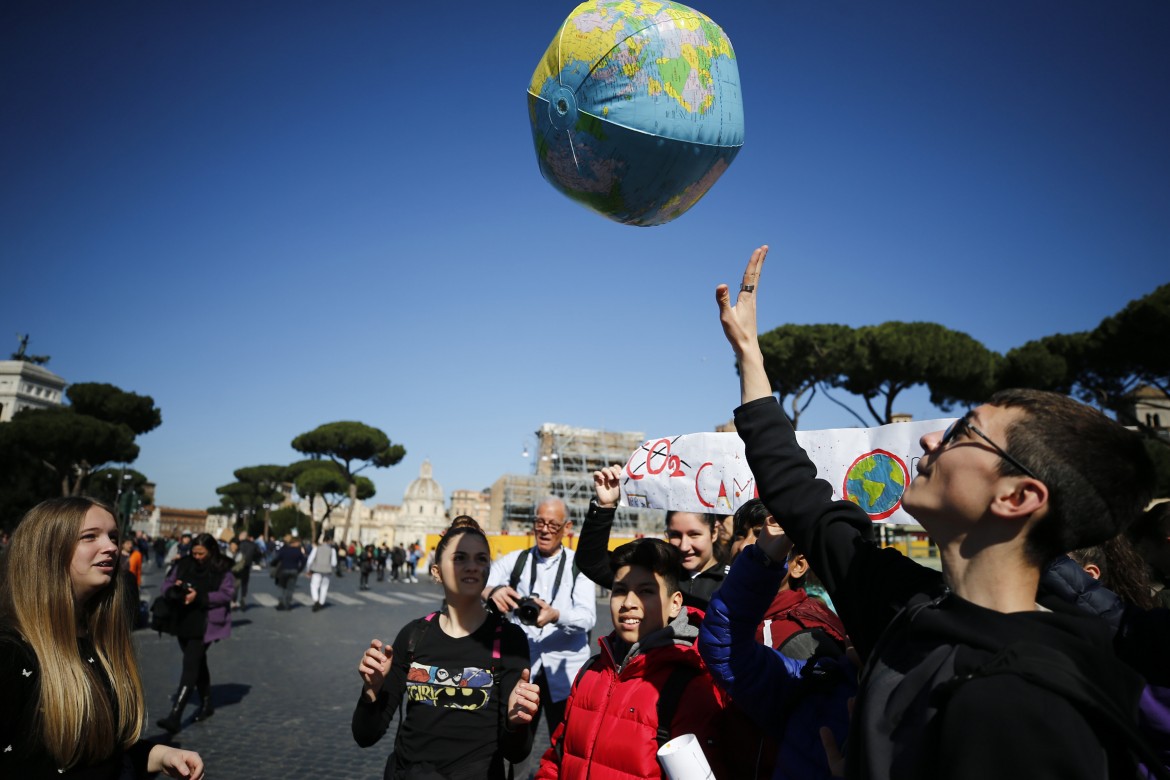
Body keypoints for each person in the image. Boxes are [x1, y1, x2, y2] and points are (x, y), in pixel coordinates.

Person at [715, 245, 1164, 779]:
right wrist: (749, 354)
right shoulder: (903, 603)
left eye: (962, 432)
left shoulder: (1039, 700)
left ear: (1017, 498)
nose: (930, 436)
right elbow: (797, 494)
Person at [0, 496, 204, 778]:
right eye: (89, 537)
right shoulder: (10, 652)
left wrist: (159, 755)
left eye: (113, 536)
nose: (111, 547)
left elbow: (100, 753)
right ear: (47, 550)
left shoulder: (101, 639)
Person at [353, 519, 540, 780]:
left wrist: (515, 722)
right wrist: (371, 690)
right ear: (437, 571)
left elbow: (516, 753)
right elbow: (365, 735)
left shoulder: (509, 639)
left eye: (481, 559)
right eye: (460, 558)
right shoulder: (413, 636)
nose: (472, 566)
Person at [536, 539, 727, 779]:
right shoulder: (590, 671)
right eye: (620, 591)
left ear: (675, 604)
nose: (628, 603)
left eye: (646, 591)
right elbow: (557, 759)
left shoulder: (690, 685)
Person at [699, 514, 856, 780]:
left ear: (799, 565)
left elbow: (726, 650)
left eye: (763, 535)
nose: (745, 546)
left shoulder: (805, 635)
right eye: (741, 534)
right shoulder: (745, 611)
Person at [484, 497, 597, 736]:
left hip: (567, 673)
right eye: (539, 522)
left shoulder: (579, 566)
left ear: (567, 528)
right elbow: (480, 583)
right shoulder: (516, 561)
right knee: (515, 742)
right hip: (523, 669)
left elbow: (587, 617)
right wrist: (492, 592)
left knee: (566, 744)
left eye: (553, 525)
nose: (545, 530)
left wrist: (556, 615)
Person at [577, 467, 729, 611]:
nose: (684, 546)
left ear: (714, 533)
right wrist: (605, 505)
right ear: (666, 534)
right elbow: (592, 562)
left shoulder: (734, 580)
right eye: (675, 535)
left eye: (694, 534)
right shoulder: (654, 571)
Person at [157, 532, 236, 733]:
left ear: (211, 551)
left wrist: (199, 596)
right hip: (183, 620)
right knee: (198, 662)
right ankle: (207, 704)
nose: (197, 557)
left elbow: (227, 594)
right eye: (194, 553)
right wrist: (174, 591)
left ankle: (175, 715)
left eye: (201, 553)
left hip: (206, 623)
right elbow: (166, 584)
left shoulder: (223, 568)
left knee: (190, 664)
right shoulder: (183, 563)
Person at [272, 536, 306, 611]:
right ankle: (287, 604)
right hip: (294, 570)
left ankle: (281, 602)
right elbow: (303, 561)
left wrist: (273, 564)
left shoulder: (284, 550)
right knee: (290, 588)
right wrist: (299, 569)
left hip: (284, 570)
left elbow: (277, 559)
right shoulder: (298, 551)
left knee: (281, 587)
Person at [305, 536, 338, 612]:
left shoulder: (316, 548)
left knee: (314, 586)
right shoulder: (332, 550)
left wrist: (308, 570)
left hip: (316, 570)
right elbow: (334, 563)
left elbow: (310, 560)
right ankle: (321, 602)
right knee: (324, 587)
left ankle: (316, 600)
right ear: (329, 541)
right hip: (327, 571)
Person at [234, 530, 258, 610]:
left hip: (237, 566)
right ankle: (243, 599)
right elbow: (257, 554)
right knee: (245, 584)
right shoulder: (253, 545)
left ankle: (234, 601)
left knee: (236, 584)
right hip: (247, 566)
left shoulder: (238, 544)